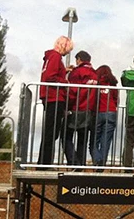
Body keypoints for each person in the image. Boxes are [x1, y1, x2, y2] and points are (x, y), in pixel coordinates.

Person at [38, 35, 73, 166]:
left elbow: (50, 74)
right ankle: (45, 163)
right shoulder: (56, 57)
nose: (68, 52)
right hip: (55, 97)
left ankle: (44, 161)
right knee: (51, 132)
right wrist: (66, 82)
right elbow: (50, 77)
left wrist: (65, 70)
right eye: (68, 49)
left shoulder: (50, 57)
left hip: (49, 96)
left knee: (50, 131)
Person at [64, 50, 97, 165]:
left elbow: (73, 91)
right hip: (89, 110)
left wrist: (67, 106)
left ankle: (73, 162)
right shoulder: (94, 74)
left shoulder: (76, 73)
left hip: (75, 108)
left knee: (66, 136)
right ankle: (80, 164)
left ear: (79, 59)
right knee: (82, 140)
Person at [90, 65, 119, 166]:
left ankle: (97, 159)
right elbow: (116, 99)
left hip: (98, 112)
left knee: (93, 142)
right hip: (111, 112)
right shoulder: (112, 84)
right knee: (105, 142)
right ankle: (101, 164)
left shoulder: (96, 83)